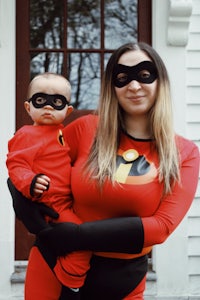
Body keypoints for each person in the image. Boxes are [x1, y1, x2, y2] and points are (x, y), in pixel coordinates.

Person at [8, 42, 199, 300]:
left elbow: (161, 227)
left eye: (144, 75)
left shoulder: (183, 153)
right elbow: (30, 163)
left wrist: (78, 236)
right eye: (122, 78)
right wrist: (27, 208)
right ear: (112, 86)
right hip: (56, 264)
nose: (133, 86)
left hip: (123, 279)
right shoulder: (86, 129)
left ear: (160, 81)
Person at [6, 73, 91, 300]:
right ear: (28, 106)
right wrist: (30, 183)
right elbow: (16, 165)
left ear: (68, 110)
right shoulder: (27, 134)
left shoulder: (61, 134)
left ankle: (65, 273)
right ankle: (72, 283)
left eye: (57, 102)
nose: (48, 107)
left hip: (67, 202)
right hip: (51, 203)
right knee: (82, 241)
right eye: (40, 101)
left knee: (80, 239)